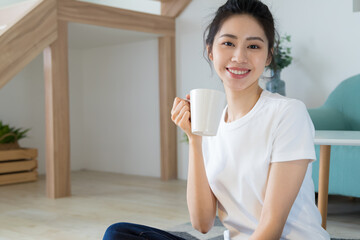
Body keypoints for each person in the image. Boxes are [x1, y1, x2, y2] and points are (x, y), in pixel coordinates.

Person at [103, 0, 331, 239]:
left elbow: (271, 228)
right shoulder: (213, 124)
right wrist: (195, 139)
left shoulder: (287, 113)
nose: (239, 56)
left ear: (267, 57)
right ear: (210, 50)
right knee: (118, 233)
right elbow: (202, 223)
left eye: (253, 46)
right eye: (228, 43)